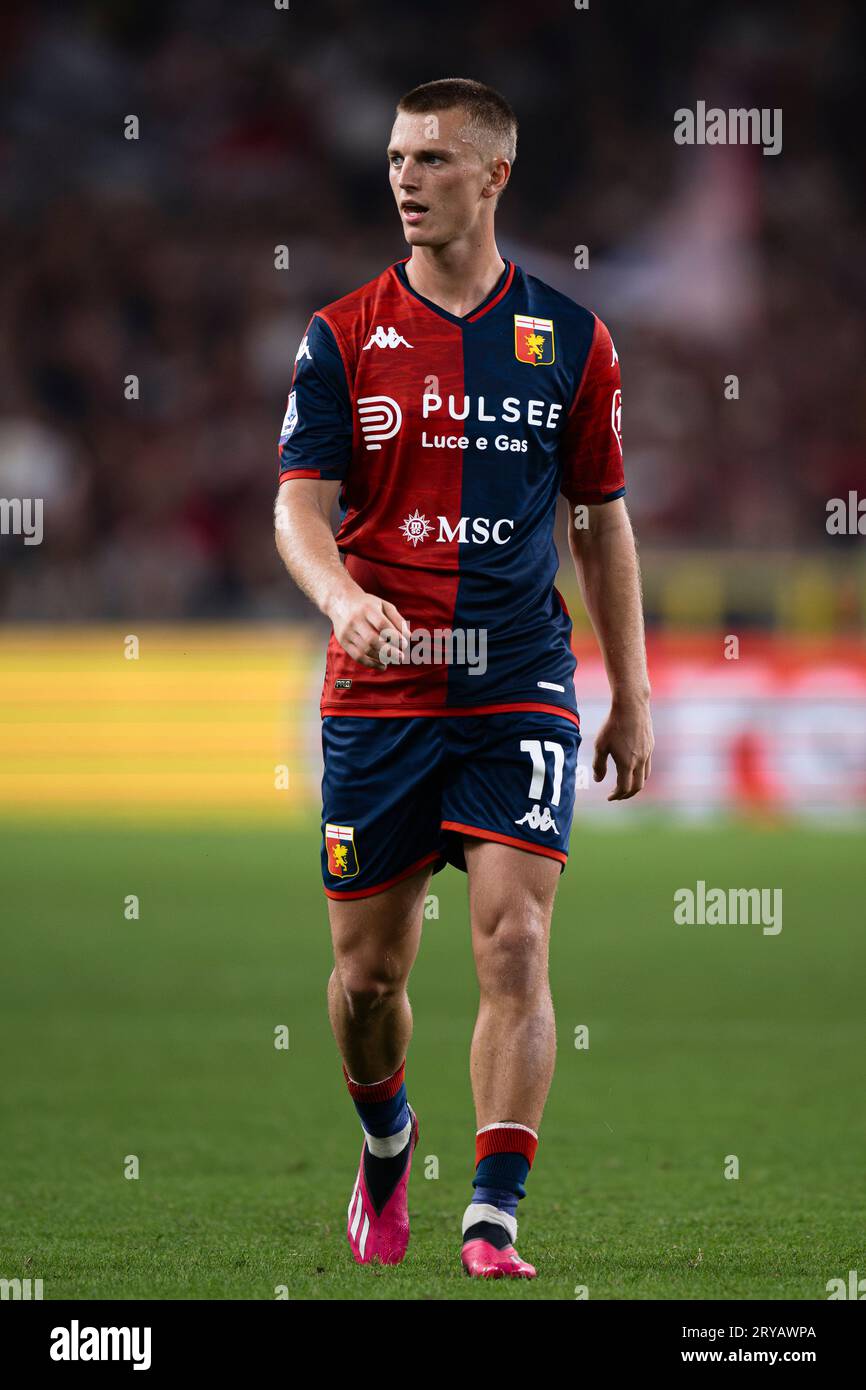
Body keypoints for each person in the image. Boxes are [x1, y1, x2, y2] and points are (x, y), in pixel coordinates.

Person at [274, 77, 653, 1279]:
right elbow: (296, 508)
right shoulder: (339, 334)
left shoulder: (571, 339)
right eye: (395, 157)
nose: (403, 177)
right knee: (366, 978)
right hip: (378, 693)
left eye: (432, 159)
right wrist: (343, 601)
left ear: (493, 176)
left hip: (516, 682)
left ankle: (491, 1212)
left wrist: (630, 694)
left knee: (513, 945)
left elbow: (601, 523)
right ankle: (388, 1139)